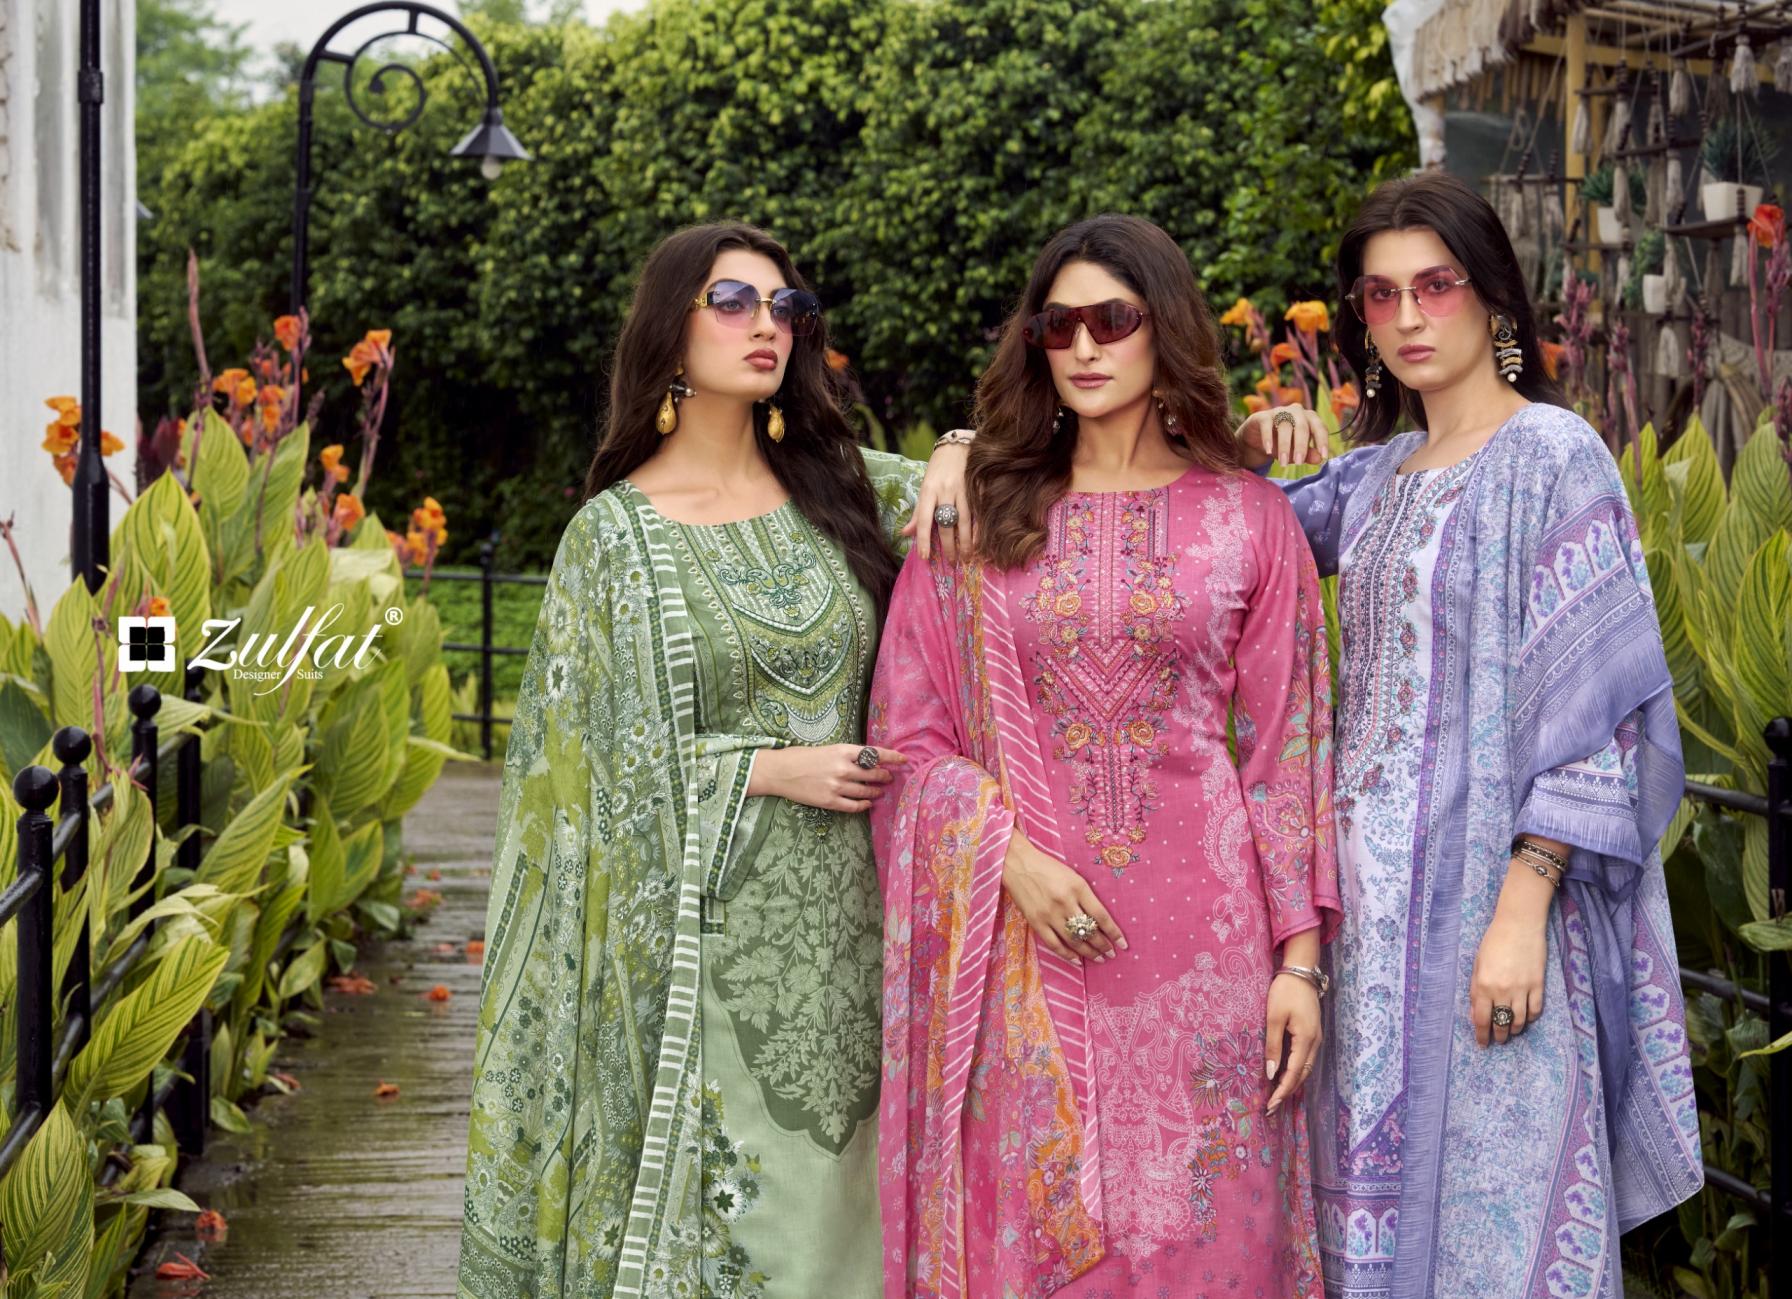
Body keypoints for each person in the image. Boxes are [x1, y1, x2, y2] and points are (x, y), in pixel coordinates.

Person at [455, 221, 972, 1299]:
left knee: (853, 1224)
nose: (764, 326)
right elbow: (578, 782)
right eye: (732, 303)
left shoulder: (847, 491)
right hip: (702, 954)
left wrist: (961, 447)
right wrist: (763, 769)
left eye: (785, 308)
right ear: (670, 329)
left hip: (862, 930)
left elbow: (1020, 491)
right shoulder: (612, 539)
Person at [1238, 171, 1703, 1297]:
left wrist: (1523, 906)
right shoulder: (1373, 478)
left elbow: (1599, 714)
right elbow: (1219, 537)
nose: (1405, 317)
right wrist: (1242, 447)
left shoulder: (1552, 453)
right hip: (1365, 931)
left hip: (1490, 916)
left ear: (1492, 295)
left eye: (1434, 286)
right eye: (1379, 295)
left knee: (1496, 1222)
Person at [870, 213, 1338, 1298]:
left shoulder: (1249, 518)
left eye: (1112, 320)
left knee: (1213, 1247)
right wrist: (1010, 862)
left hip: (1211, 958)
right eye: (1058, 325)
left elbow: (1288, 754)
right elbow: (907, 736)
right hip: (1026, 951)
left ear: (1163, 328)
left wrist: (1300, 964)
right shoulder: (977, 517)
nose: (1082, 346)